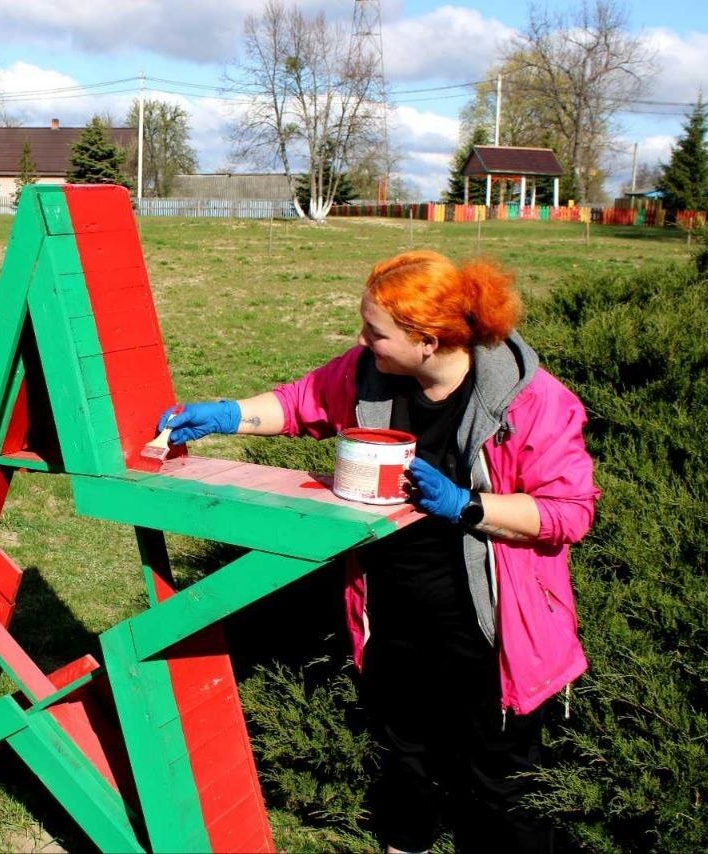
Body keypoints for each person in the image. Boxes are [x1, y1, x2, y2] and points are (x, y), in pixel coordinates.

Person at [158, 250, 598, 852]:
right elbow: (297, 402)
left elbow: (569, 513)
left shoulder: (531, 403)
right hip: (391, 615)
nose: (361, 340)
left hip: (490, 633)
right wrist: (221, 416)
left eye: (376, 331)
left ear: (427, 341)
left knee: (500, 788)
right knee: (403, 760)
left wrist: (470, 506)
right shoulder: (369, 373)